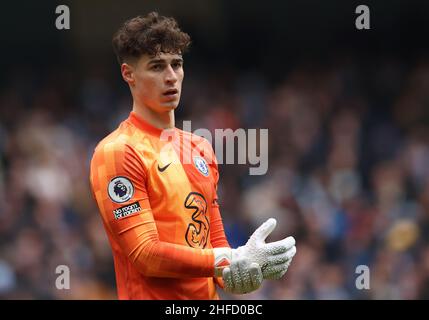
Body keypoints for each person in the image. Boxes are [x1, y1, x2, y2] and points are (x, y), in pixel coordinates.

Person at [89, 12, 297, 300]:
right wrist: (225, 259)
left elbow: (214, 244)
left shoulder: (200, 148)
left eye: (177, 64)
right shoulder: (117, 152)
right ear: (129, 74)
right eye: (157, 67)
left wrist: (244, 272)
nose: (171, 77)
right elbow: (145, 254)